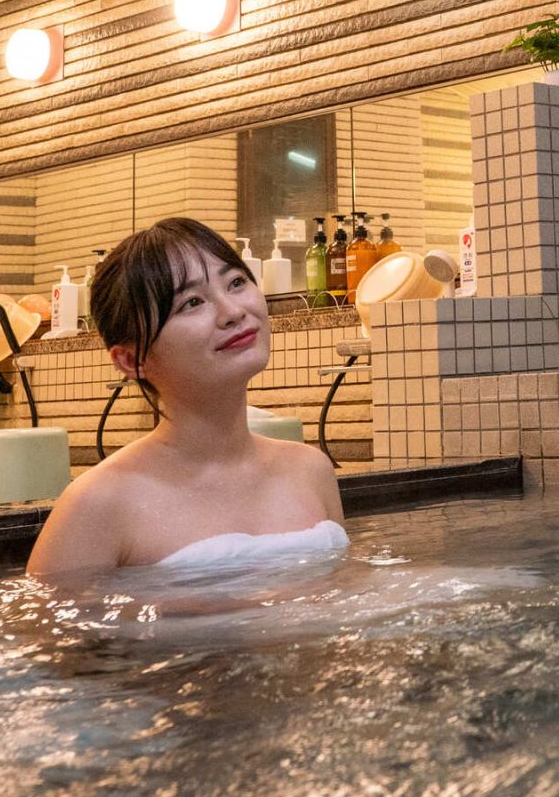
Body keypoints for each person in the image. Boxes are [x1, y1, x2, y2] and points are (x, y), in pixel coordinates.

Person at [28, 218, 345, 578]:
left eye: (236, 282)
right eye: (192, 302)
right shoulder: (98, 504)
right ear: (131, 360)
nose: (233, 312)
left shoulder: (311, 470)